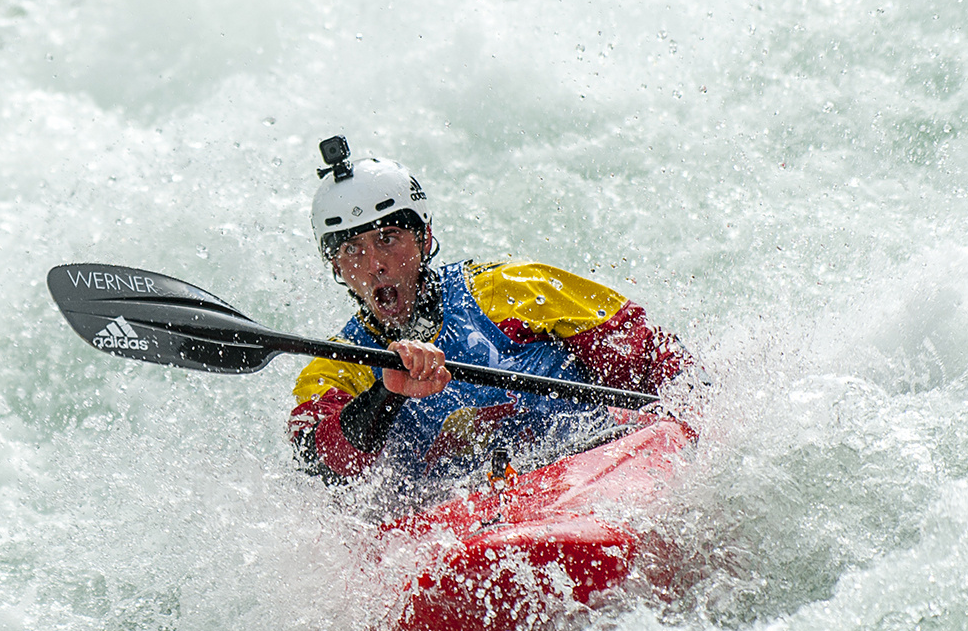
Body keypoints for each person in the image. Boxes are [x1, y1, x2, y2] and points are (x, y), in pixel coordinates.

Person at [288, 137, 693, 491]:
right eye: (352, 250)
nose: (375, 263)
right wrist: (385, 393)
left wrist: (693, 429)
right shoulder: (337, 366)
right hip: (462, 528)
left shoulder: (513, 291)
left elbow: (653, 357)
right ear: (336, 268)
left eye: (388, 238)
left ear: (425, 238)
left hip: (589, 477)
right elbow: (320, 467)